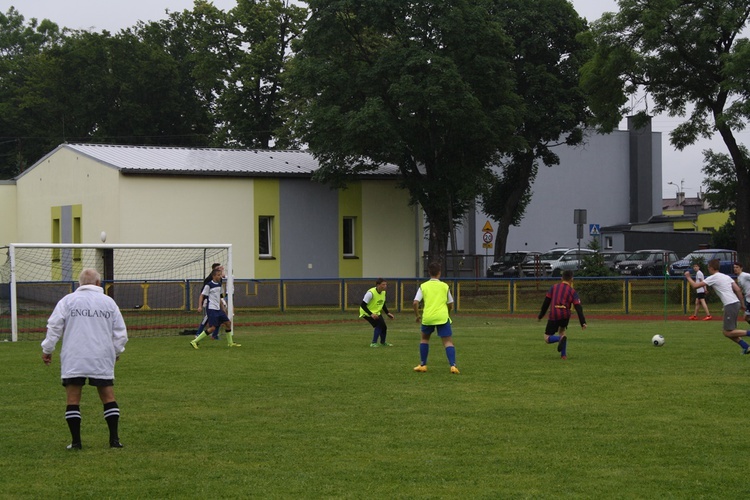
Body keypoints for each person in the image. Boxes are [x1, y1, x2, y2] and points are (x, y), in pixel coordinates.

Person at [41, 268, 128, 450]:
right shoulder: (108, 302)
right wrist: (115, 352)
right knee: (108, 396)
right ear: (98, 284)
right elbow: (120, 333)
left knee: (73, 399)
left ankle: (76, 443)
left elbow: (54, 326)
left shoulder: (68, 301)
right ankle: (114, 440)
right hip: (101, 355)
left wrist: (48, 349)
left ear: (79, 284)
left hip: (74, 355)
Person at [685, 259, 750, 354]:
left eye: (708, 268)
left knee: (727, 332)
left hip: (730, 304)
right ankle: (746, 347)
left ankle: (748, 339)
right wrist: (742, 304)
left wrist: (688, 277)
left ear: (711, 268)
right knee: (728, 331)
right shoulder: (726, 277)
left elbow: (695, 286)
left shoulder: (713, 277)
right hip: (735, 303)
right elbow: (738, 290)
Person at [412, 261, 459, 374]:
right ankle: (453, 366)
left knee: (424, 339)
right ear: (439, 273)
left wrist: (417, 315)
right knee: (448, 342)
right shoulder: (444, 286)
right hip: (442, 317)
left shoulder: (423, 286)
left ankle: (423, 365)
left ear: (429, 272)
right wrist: (447, 311)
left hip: (428, 317)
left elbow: (415, 302)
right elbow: (451, 303)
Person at [537, 269, 587, 360]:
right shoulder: (572, 291)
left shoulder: (554, 287)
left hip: (554, 313)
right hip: (565, 315)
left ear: (561, 278)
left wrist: (541, 315)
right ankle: (563, 355)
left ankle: (559, 339)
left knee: (547, 338)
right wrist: (582, 322)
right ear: (572, 279)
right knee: (562, 331)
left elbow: (546, 303)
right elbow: (578, 307)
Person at [191, 267, 239, 348]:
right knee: (212, 328)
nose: (220, 276)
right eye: (218, 275)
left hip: (218, 309)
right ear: (213, 276)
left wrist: (223, 308)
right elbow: (202, 295)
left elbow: (219, 297)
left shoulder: (219, 285)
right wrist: (200, 306)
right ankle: (194, 341)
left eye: (220, 275)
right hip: (211, 308)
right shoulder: (209, 285)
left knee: (228, 323)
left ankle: (230, 343)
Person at [359, 278, 395, 347]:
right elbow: (363, 305)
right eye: (383, 284)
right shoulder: (370, 293)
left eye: (386, 284)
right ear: (378, 285)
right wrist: (371, 314)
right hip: (366, 312)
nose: (385, 286)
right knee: (378, 325)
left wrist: (387, 313)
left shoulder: (383, 292)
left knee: (384, 327)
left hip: (376, 312)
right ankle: (373, 343)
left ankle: (383, 342)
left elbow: (382, 303)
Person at [194, 263, 223, 340]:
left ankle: (215, 335)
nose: (220, 269)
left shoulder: (219, 280)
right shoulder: (209, 280)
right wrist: (201, 304)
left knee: (220, 318)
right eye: (218, 268)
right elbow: (203, 293)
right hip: (209, 301)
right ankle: (198, 333)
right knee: (207, 317)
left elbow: (219, 293)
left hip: (217, 301)